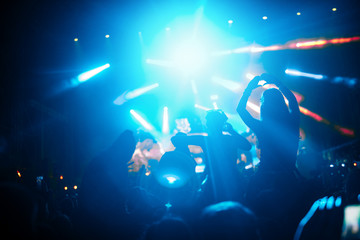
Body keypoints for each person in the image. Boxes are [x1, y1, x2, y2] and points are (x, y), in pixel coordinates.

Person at [171, 110, 251, 203]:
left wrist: (183, 136)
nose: (206, 124)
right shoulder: (229, 139)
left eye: (208, 121)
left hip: (214, 181)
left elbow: (175, 139)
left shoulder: (206, 140)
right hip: (233, 179)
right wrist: (231, 131)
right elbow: (247, 146)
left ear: (209, 124)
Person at [237, 73, 300, 174]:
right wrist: (277, 83)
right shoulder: (292, 123)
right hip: (289, 177)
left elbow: (240, 109)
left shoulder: (261, 127)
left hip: (267, 177)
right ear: (281, 103)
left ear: (263, 106)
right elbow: (292, 100)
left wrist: (249, 88)